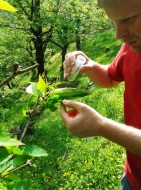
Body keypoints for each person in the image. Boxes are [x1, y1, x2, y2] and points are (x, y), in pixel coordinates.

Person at [60, 0, 141, 189]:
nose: (118, 34)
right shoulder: (132, 45)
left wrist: (101, 126)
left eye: (128, 19)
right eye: (114, 22)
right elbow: (111, 77)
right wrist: (89, 65)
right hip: (133, 176)